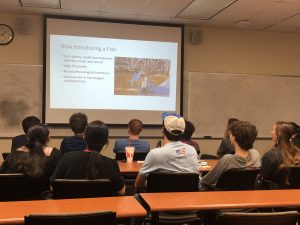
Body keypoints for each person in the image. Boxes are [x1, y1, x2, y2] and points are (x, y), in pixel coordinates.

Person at [52, 120, 125, 195]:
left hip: (70, 206)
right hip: (102, 206)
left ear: (84, 137)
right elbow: (121, 191)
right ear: (106, 142)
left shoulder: (66, 158)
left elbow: (53, 185)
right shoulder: (111, 164)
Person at [134, 113, 199, 191]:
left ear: (163, 130)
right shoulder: (192, 150)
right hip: (187, 200)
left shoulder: (155, 154)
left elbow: (138, 184)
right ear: (182, 132)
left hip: (158, 201)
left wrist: (152, 183)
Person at [1, 124, 61, 198]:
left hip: (13, 200)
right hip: (43, 202)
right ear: (48, 137)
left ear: (28, 138)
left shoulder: (14, 154)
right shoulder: (56, 155)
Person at [201, 121, 260, 189]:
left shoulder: (228, 159)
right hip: (246, 196)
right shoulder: (256, 154)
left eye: (231, 133)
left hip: (222, 196)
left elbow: (206, 181)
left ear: (234, 138)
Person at [258, 121, 300, 188]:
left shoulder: (270, 156)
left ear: (279, 134)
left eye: (272, 130)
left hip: (274, 196)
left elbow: (262, 182)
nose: (270, 132)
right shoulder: (298, 152)